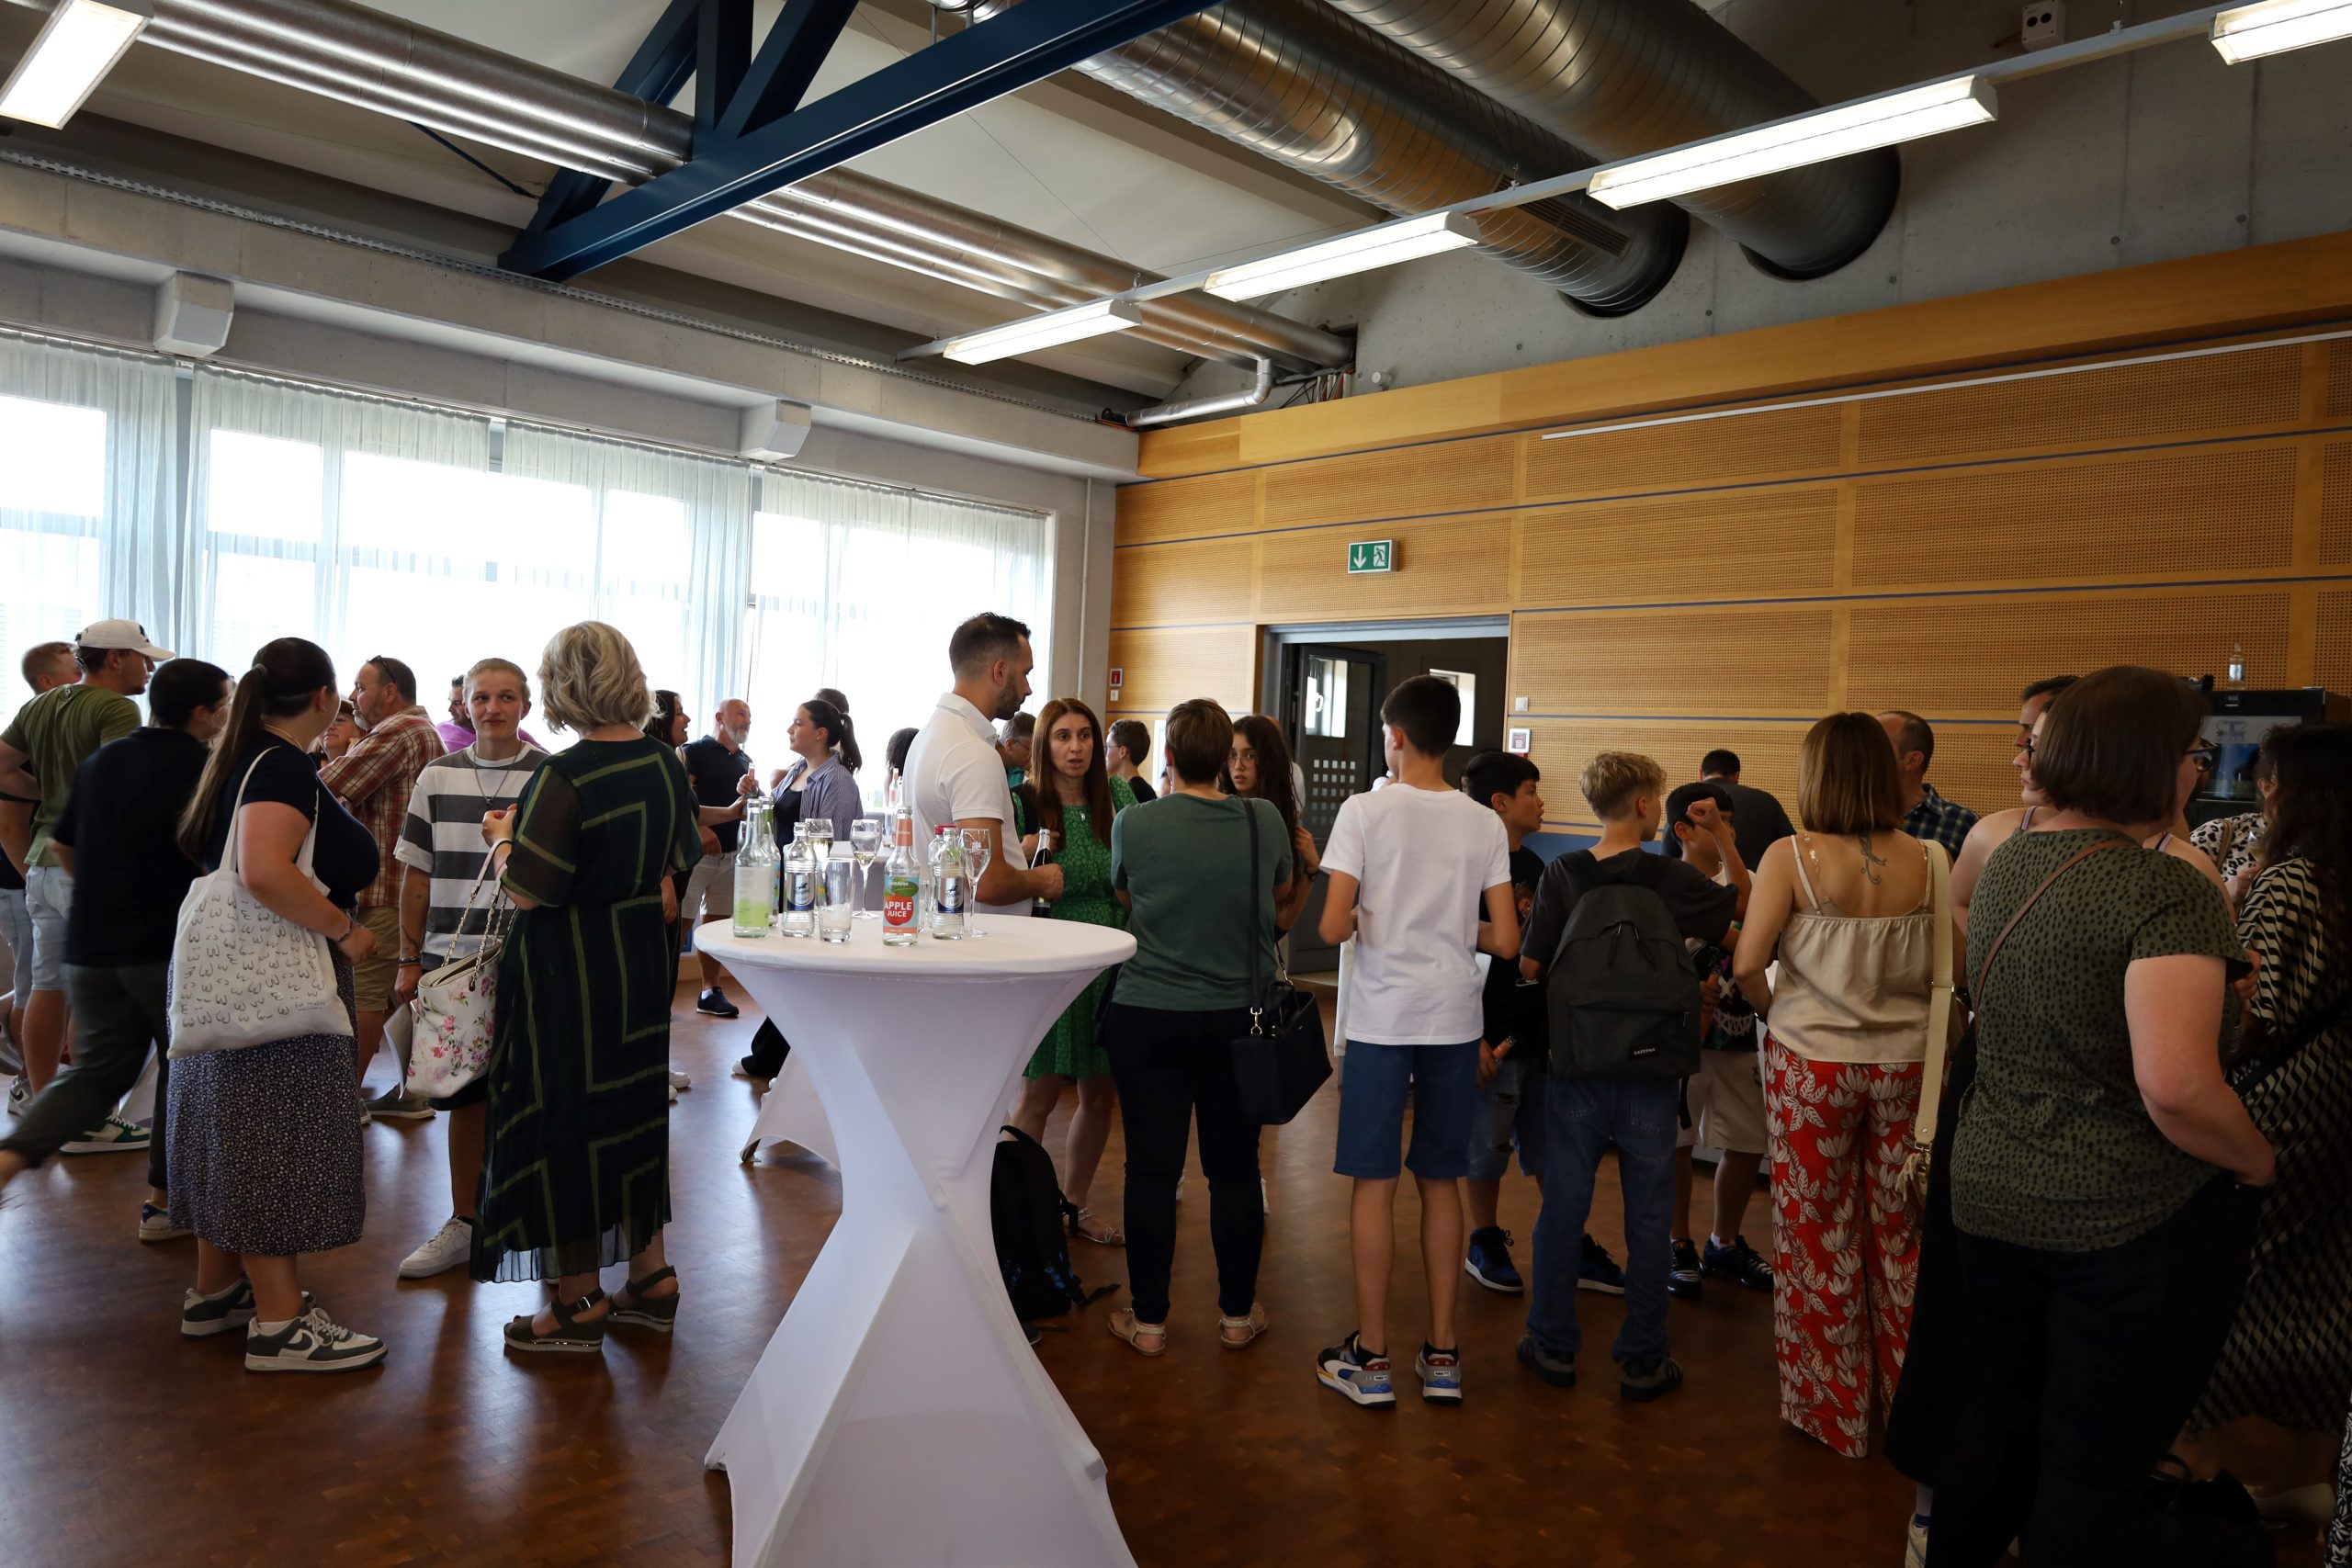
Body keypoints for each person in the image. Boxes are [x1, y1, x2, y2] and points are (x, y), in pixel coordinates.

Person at [1931, 666, 2273, 1565]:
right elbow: (2177, 1087)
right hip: (2119, 1217)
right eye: (2194, 752)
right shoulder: (2165, 887)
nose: (2199, 769)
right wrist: (2256, 1159)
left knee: (2001, 1416)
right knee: (2093, 1459)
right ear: (2150, 760)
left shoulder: (2010, 858)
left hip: (1990, 1191)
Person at [474, 621, 700, 1354]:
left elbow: (529, 889)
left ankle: (576, 1303)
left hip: (566, 973)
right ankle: (651, 1277)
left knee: (566, 1119)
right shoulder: (664, 761)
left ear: (560, 687)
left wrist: (500, 839)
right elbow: (676, 861)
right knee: (631, 1113)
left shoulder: (563, 776)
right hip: (638, 967)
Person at [169, 637, 386, 1372]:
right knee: (275, 1141)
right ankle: (281, 1323)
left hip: (231, 976)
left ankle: (216, 1290)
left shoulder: (238, 757)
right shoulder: (283, 765)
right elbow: (264, 869)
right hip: (282, 975)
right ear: (325, 696)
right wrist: (344, 930)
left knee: (231, 1132)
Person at [1733, 713, 1943, 1459]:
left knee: (1816, 1230)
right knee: (1902, 1234)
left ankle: (1834, 1409)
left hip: (1811, 1062)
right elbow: (1948, 968)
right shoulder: (1932, 857)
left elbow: (1747, 963)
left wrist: (1777, 1012)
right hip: (1908, 1064)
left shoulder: (1791, 855)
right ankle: (1909, 1404)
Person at [1315, 675, 1517, 1408]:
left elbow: (1330, 927)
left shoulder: (1363, 811)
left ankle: (1371, 1359)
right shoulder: (1484, 823)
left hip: (1381, 1019)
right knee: (1440, 1179)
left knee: (1375, 1183)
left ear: (1395, 737)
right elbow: (1508, 938)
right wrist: (1447, 924)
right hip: (1454, 1020)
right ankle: (1443, 1355)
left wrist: (1378, 913)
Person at [1517, 751, 1743, 1404]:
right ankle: (1643, 1358)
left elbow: (1530, 966)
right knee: (1648, 1215)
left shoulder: (1564, 872)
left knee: (1564, 1206)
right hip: (1652, 1066)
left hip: (1578, 1064)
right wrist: (1724, 838)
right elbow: (1741, 924)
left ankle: (1552, 1344)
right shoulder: (1668, 876)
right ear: (1645, 804)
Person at [0, 660, 232, 1227]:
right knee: (184, 1067)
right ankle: (163, 1204)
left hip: (94, 944)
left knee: (96, 1072)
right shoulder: (205, 769)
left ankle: (8, 1159)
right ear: (202, 712)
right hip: (163, 947)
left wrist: (108, 899)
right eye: (224, 704)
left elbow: (63, 846)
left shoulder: (104, 760)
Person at [1100, 698, 1290, 1357]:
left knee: (1151, 1170)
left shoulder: (1134, 821)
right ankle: (1236, 1315)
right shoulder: (1263, 819)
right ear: (1226, 760)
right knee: (1235, 1169)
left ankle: (1149, 1321)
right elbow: (1278, 899)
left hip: (1148, 1011)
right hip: (1240, 1016)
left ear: (1172, 757)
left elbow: (1126, 896)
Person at [2188, 722, 2352, 1476]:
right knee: (2323, 1280)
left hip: (2286, 1095)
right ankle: (2310, 1468)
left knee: (2232, 1274)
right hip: (2338, 1090)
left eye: (2270, 778)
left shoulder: (2289, 880)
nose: (2263, 790)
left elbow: (2257, 1009)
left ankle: (2208, 1457)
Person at [386, 658, 548, 1279]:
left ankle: (533, 1221)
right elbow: (416, 876)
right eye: (482, 697)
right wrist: (408, 959)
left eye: (506, 697)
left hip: (528, 957)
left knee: (531, 1090)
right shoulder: (437, 775)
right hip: (451, 963)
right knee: (463, 1093)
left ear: (525, 705)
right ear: (465, 705)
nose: (493, 708)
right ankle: (465, 1220)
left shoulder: (547, 775)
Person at [1456, 750, 1611, 1299]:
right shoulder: (1467, 870)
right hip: (1490, 1037)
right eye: (1531, 791)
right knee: (1486, 1149)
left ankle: (1570, 1240)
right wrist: (1471, 1037)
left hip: (1539, 1037)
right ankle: (1484, 1240)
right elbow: (1453, 960)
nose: (1541, 802)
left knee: (1553, 1146)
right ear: (1500, 803)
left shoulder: (1539, 868)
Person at [0, 620, 171, 1102]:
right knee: (104, 994)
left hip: (42, 862)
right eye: (143, 658)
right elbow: (119, 786)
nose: (150, 668)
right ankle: (90, 1114)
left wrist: (48, 792)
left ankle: (45, 1101)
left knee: (47, 988)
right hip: (88, 865)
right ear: (115, 658)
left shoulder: (40, 704)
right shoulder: (118, 708)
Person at [1008, 696, 1134, 1247]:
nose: (1076, 747)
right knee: (1036, 1095)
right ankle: (1017, 1213)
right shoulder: (1024, 803)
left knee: (1099, 1094)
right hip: (1051, 958)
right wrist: (1024, 852)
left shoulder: (1121, 798)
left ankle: (1074, 1205)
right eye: (1063, 736)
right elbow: (990, 876)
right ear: (1044, 744)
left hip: (1110, 958)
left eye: (1085, 736)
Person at [1659, 781, 1773, 1300]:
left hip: (1737, 1029)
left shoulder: (1746, 881)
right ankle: (1677, 1243)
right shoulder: (1668, 881)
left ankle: (1723, 1241)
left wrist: (1724, 837)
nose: (1727, 831)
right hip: (1682, 1035)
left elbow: (1753, 925)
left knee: (1748, 1138)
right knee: (1677, 1143)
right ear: (1683, 830)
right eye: (1713, 823)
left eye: (1730, 822)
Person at [322, 654, 445, 1112]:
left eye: (360, 687)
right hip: (400, 885)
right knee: (397, 994)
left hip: (385, 887)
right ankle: (412, 1092)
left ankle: (344, 1103)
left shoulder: (398, 731)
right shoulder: (419, 731)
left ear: (389, 692)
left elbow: (323, 785)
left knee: (365, 994)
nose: (354, 697)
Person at [739, 694, 865, 1083]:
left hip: (809, 893)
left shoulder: (836, 781)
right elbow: (779, 820)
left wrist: (815, 900)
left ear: (820, 733)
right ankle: (772, 1054)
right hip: (784, 884)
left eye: (798, 723)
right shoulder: (797, 769)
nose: (790, 729)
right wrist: (754, 796)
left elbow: (833, 846)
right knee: (786, 973)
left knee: (797, 977)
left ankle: (778, 1057)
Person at [902, 615, 1063, 916]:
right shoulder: (972, 752)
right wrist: (1041, 879)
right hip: (982, 935)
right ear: (1000, 672)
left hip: (946, 923)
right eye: (1025, 674)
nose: (1028, 688)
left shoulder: (929, 735)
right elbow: (987, 881)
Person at [2, 641, 78, 1095]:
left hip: (37, 875)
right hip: (22, 879)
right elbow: (9, 826)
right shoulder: (31, 732)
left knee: (45, 983)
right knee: (34, 986)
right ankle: (27, 1086)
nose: (82, 677)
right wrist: (32, 879)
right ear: (47, 681)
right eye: (74, 669)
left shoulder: (59, 731)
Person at [678, 698, 757, 1022]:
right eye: (741, 713)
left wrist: (753, 792)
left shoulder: (746, 761)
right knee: (680, 923)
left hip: (731, 854)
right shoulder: (693, 752)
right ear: (719, 717)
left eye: (749, 715)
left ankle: (710, 990)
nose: (747, 720)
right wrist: (699, 829)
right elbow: (680, 798)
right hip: (696, 855)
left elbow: (745, 807)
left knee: (717, 925)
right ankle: (658, 991)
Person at [2192, 729, 2278, 908]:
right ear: (2266, 787)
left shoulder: (2325, 845)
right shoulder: (2219, 834)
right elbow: (2178, 907)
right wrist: (2227, 892)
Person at [1877, 711, 1977, 860]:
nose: (1861, 752)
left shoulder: (1963, 823)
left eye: (1875, 744)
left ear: (1912, 760)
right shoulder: (1848, 817)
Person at [1698, 748, 1796, 876]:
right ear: (1737, 775)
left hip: (1698, 884)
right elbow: (1792, 847)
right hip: (1757, 883)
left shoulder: (1687, 801)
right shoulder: (1765, 800)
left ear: (1701, 773)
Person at [1107, 718, 1157, 803]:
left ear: (1122, 752)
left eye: (1108, 746)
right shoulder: (1149, 791)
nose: (1105, 753)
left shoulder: (1124, 792)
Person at [1001, 710, 1035, 791]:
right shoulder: (986, 765)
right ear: (1010, 744)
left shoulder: (1020, 767)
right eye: (1029, 749)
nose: (1034, 756)